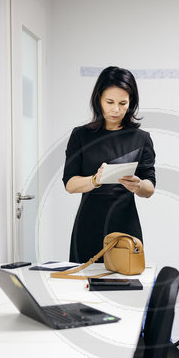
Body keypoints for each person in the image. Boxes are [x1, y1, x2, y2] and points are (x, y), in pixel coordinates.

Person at [62, 66, 156, 263]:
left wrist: (138, 185)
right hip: (87, 226)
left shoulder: (141, 138)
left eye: (123, 103)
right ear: (98, 100)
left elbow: (150, 188)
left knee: (127, 287)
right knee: (83, 288)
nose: (116, 109)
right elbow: (70, 184)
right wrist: (96, 180)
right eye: (110, 102)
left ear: (131, 103)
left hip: (126, 227)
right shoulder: (80, 135)